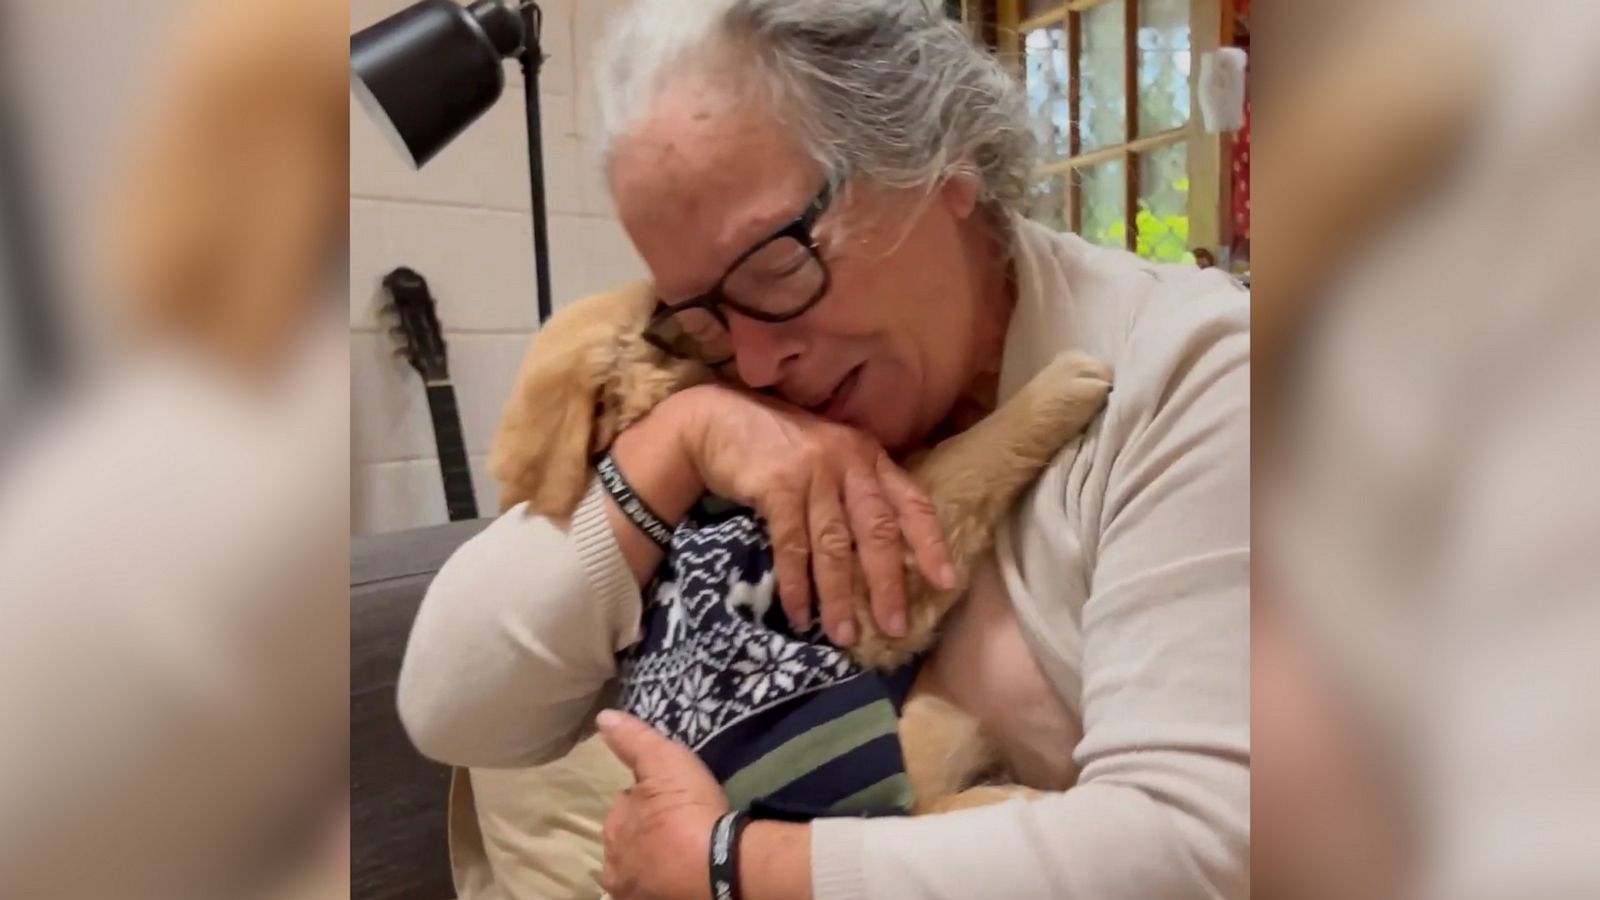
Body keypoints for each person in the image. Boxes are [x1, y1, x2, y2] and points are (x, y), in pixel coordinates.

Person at [398, 2, 1249, 898]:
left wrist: (735, 869)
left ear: (937, 156)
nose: (758, 358)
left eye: (777, 266)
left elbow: (1206, 850)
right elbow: (453, 705)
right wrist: (685, 440)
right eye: (704, 314)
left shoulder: (1197, 374)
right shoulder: (725, 395)